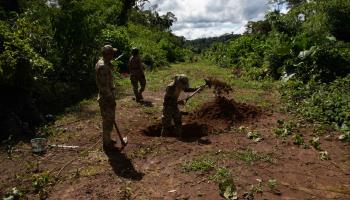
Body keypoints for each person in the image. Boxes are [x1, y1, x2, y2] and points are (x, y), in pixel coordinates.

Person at [95, 45, 118, 148]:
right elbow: (104, 87)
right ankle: (107, 143)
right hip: (106, 97)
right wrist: (111, 98)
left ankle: (108, 139)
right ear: (107, 54)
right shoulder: (103, 66)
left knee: (109, 119)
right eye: (112, 53)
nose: (113, 55)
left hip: (107, 95)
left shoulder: (103, 63)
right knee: (108, 120)